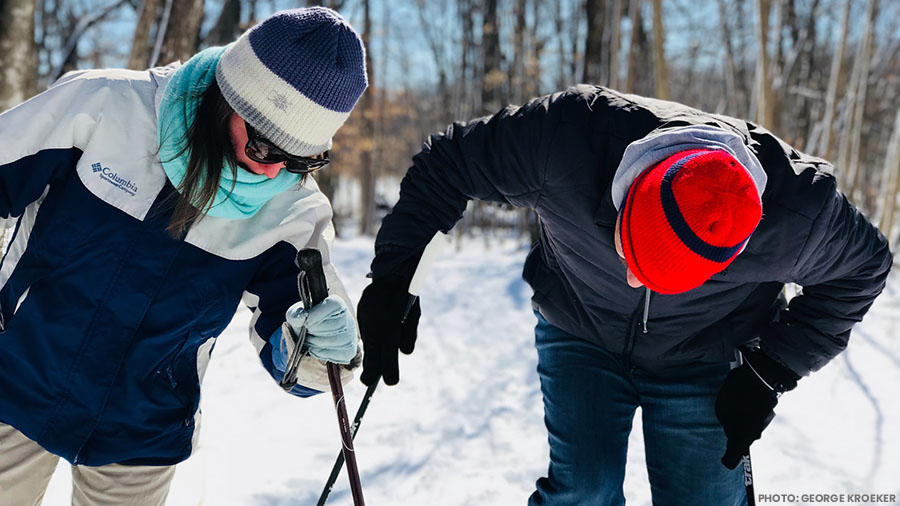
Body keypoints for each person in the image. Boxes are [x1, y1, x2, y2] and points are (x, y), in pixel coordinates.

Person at [356, 86, 893, 505]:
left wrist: (769, 370)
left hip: (705, 353)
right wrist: (394, 279)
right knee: (581, 492)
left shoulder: (800, 214)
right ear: (630, 188)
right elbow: (447, 165)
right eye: (633, 256)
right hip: (580, 327)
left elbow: (864, 269)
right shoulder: (564, 138)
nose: (638, 280)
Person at [0, 7, 366, 505]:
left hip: (143, 431)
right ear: (225, 99)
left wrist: (322, 347)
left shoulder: (293, 208)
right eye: (262, 147)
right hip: (14, 380)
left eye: (300, 160)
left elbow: (304, 358)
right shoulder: (105, 106)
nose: (272, 172)